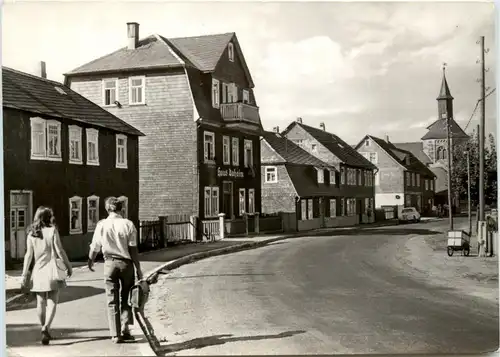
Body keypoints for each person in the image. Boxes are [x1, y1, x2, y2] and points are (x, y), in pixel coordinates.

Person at [87, 197, 143, 344]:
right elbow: (133, 249)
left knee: (111, 299)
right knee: (126, 297)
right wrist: (138, 268)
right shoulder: (128, 224)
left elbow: (95, 246)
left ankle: (115, 334)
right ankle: (125, 329)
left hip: (110, 263)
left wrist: (90, 260)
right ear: (121, 209)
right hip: (126, 264)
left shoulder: (102, 225)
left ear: (107, 209)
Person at [21, 206, 73, 345]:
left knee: (40, 302)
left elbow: (28, 255)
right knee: (52, 301)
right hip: (52, 270)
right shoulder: (52, 231)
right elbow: (60, 250)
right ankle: (47, 328)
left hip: (38, 270)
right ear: (48, 217)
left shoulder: (32, 233)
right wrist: (68, 266)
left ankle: (43, 328)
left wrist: (24, 274)